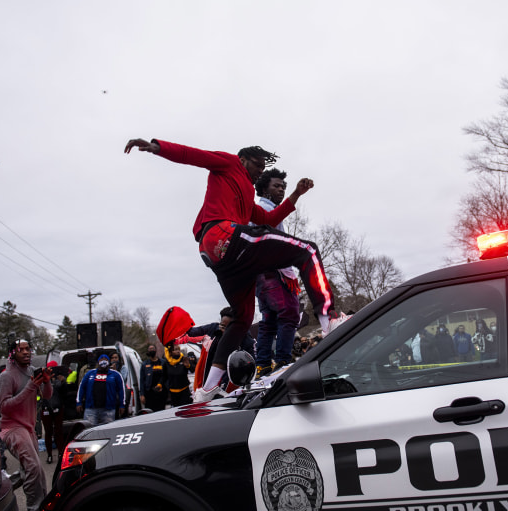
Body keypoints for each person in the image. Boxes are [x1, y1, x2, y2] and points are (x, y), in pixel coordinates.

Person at [125, 138, 348, 402]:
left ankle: (206, 389)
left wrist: (296, 195)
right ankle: (329, 319)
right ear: (243, 159)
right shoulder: (229, 163)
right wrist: (157, 147)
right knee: (307, 251)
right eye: (257, 166)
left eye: (263, 169)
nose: (259, 173)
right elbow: (194, 154)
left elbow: (267, 219)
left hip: (219, 257)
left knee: (243, 317)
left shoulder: (246, 196)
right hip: (223, 235)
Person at [253, 168, 302, 377]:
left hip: (260, 275)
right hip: (273, 272)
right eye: (277, 186)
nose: (281, 190)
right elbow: (275, 242)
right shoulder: (265, 210)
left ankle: (263, 364)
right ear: (264, 188)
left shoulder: (260, 210)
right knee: (289, 313)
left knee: (269, 320)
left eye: (283, 187)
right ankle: (283, 362)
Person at [0, 339, 52, 511]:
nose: (27, 352)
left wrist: (47, 381)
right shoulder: (5, 376)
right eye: (22, 350)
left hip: (29, 429)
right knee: (33, 467)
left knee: (32, 471)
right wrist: (30, 387)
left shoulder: (31, 372)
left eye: (28, 349)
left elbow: (47, 396)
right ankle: (35, 508)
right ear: (13, 353)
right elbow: (3, 407)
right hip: (12, 429)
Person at [75, 354, 125, 426]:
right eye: (101, 360)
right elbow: (81, 388)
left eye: (106, 359)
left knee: (108, 430)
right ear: (98, 362)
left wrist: (122, 405)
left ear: (109, 362)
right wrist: (79, 402)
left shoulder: (115, 374)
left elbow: (121, 390)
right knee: (89, 430)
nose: (103, 361)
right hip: (91, 409)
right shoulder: (90, 374)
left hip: (109, 409)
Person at [40, 361, 66, 464]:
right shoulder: (43, 380)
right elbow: (40, 392)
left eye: (53, 368)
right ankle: (49, 455)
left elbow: (65, 393)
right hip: (46, 408)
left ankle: (60, 452)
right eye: (49, 368)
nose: (51, 371)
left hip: (58, 408)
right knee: (48, 432)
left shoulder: (59, 380)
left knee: (59, 431)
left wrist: (63, 382)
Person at [162, 342, 193, 407]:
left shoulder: (184, 359)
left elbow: (193, 369)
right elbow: (164, 377)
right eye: (175, 350)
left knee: (186, 409)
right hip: (173, 392)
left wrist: (188, 366)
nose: (178, 351)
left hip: (184, 390)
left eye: (178, 349)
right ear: (170, 352)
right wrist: (159, 385)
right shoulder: (166, 363)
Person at [139, 344, 167, 412]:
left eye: (153, 349)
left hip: (161, 393)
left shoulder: (163, 362)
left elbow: (166, 376)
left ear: (156, 350)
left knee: (161, 412)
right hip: (149, 393)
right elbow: (142, 380)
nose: (151, 350)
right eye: (150, 349)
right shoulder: (145, 364)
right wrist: (142, 394)